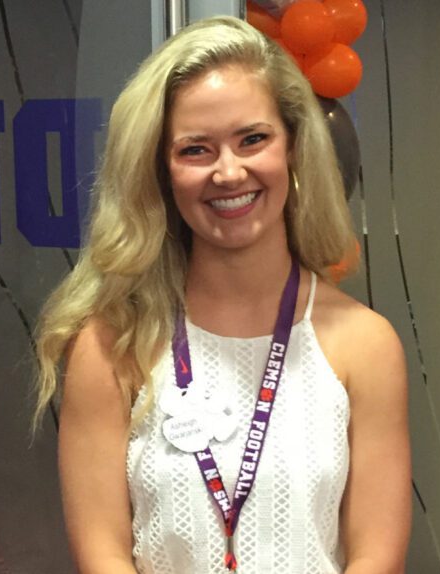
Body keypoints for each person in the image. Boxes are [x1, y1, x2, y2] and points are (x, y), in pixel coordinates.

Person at [33, 16, 410, 573]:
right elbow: (103, 556)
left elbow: (376, 556)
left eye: (252, 139)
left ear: (293, 148)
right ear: (161, 173)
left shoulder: (365, 345)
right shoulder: (112, 344)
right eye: (196, 150)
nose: (229, 172)